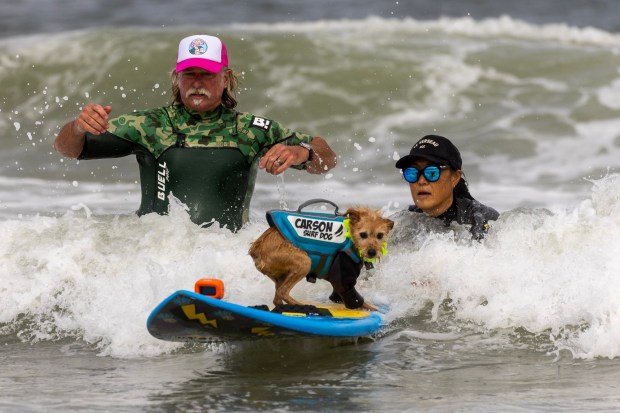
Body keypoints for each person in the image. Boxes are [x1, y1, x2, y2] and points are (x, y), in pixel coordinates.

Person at [54, 34, 337, 231]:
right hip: (157, 254)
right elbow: (68, 149)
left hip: (225, 255)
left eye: (207, 74)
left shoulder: (251, 130)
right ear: (177, 78)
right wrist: (78, 127)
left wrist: (302, 151)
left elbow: (325, 159)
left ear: (226, 79)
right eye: (190, 74)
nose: (197, 83)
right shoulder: (150, 125)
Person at [394, 134, 499, 240]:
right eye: (412, 173)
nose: (421, 181)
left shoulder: (481, 220)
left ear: (455, 177)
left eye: (432, 172)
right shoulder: (405, 220)